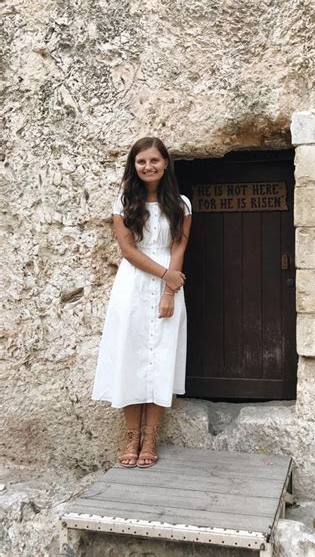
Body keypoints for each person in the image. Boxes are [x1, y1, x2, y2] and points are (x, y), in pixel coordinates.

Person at [91, 136, 192, 468]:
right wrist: (166, 276)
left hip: (168, 286)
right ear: (134, 166)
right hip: (132, 285)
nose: (148, 167)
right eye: (141, 162)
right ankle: (132, 435)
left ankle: (151, 437)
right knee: (129, 357)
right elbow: (129, 250)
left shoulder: (181, 204)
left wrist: (168, 292)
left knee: (161, 357)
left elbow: (178, 247)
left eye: (154, 161)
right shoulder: (123, 202)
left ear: (165, 164)